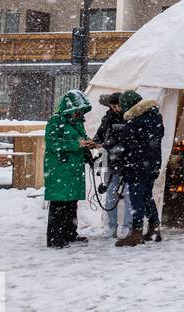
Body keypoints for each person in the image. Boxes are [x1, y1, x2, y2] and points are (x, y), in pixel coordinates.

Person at [43, 89, 94, 248]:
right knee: (59, 203)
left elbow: (81, 138)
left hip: (73, 168)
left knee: (71, 203)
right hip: (60, 168)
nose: (79, 114)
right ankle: (55, 237)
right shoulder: (55, 121)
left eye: (80, 111)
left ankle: (70, 233)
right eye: (76, 111)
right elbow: (52, 143)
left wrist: (87, 143)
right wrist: (76, 144)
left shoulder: (77, 122)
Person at [114, 90, 165, 247]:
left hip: (136, 166)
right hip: (151, 165)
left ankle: (136, 234)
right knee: (147, 196)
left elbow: (128, 147)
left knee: (137, 199)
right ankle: (154, 228)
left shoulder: (134, 123)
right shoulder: (155, 118)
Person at [95, 92, 132, 241]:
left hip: (128, 162)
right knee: (110, 195)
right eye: (114, 106)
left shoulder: (131, 118)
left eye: (119, 105)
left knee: (129, 196)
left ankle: (127, 226)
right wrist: (97, 144)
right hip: (110, 162)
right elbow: (99, 136)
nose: (117, 108)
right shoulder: (107, 119)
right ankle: (111, 225)